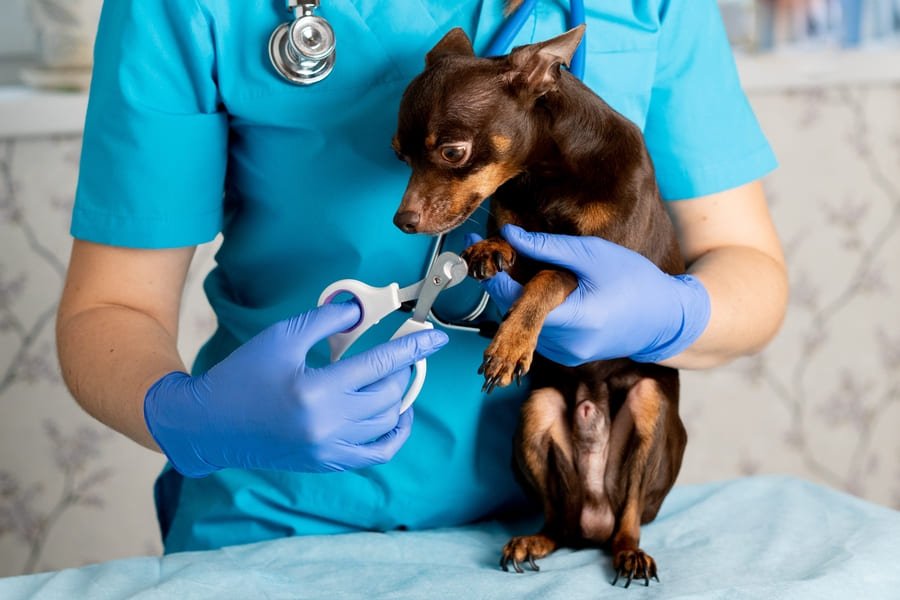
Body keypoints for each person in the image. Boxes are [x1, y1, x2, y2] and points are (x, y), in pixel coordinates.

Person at [56, 0, 788, 554]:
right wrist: (190, 415)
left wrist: (675, 313)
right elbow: (109, 308)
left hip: (545, 528)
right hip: (275, 529)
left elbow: (751, 275)